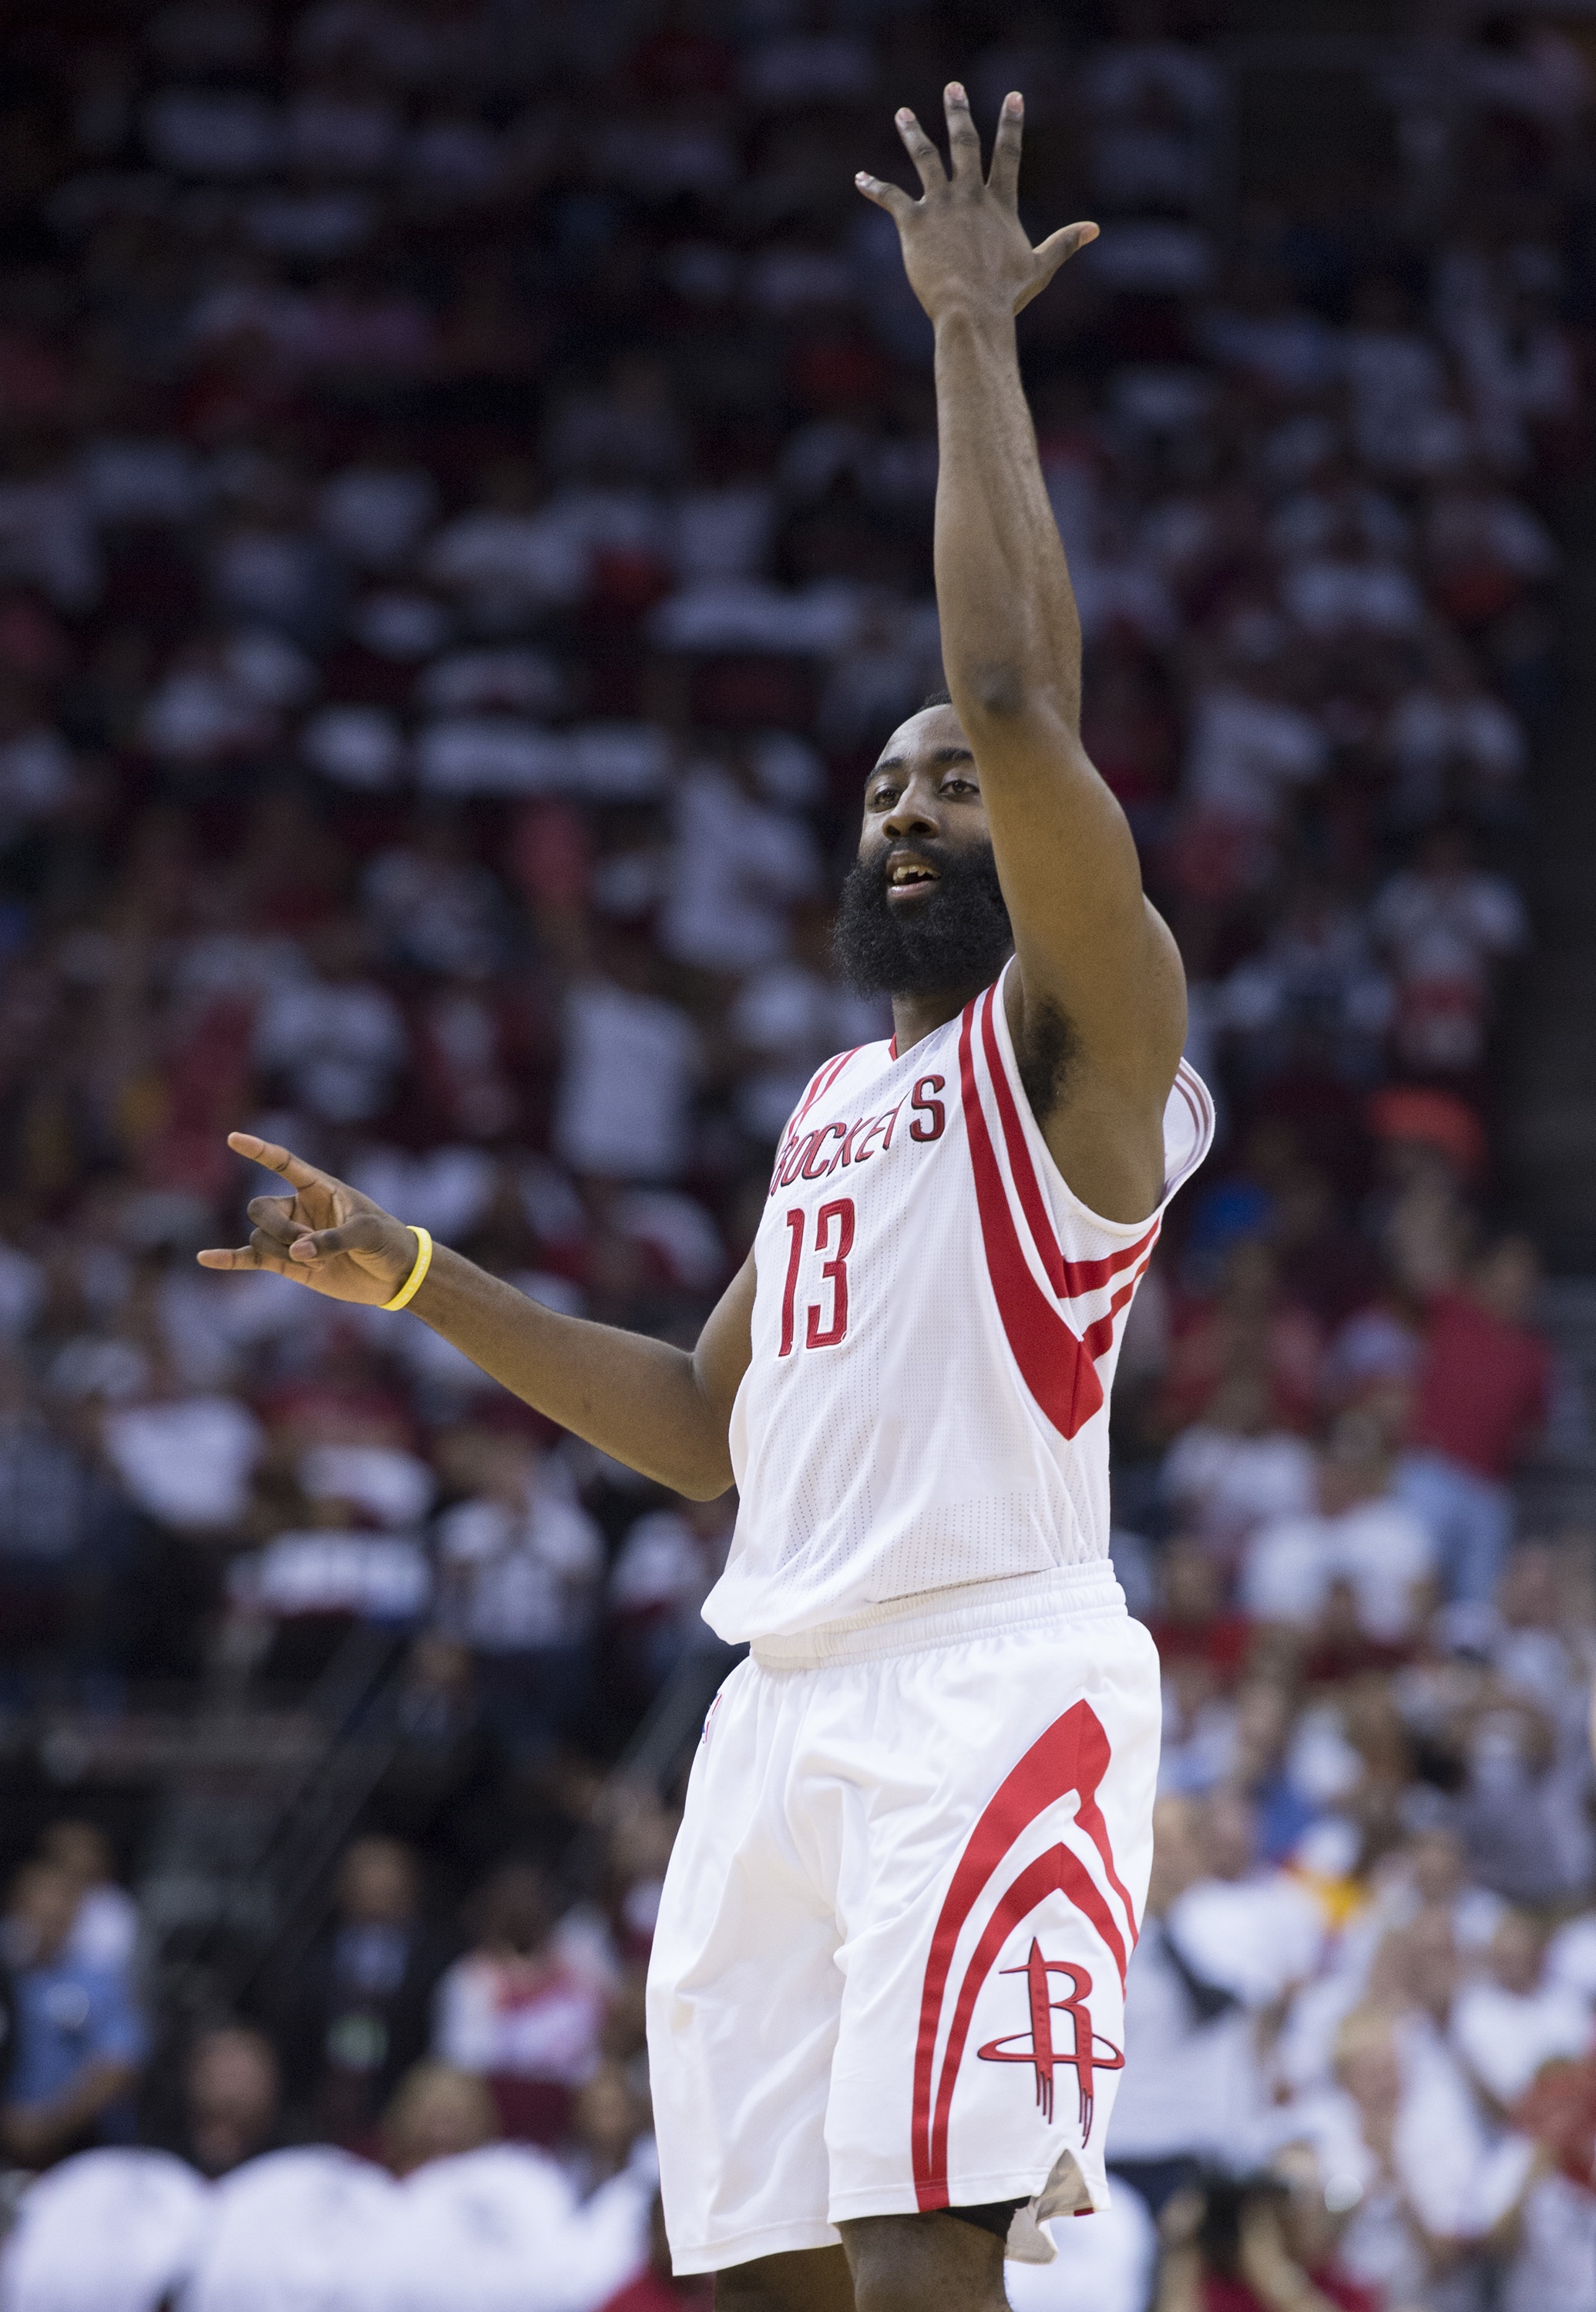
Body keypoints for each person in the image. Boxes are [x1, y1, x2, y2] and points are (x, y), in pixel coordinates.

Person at [197, 84, 1209, 2312]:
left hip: (985, 1682)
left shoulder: (1082, 1045)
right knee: (753, 2275)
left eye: (948, 786)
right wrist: (419, 1276)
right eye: (881, 790)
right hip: (777, 1704)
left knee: (922, 2259)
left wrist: (965, 334)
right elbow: (699, 1429)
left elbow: (1014, 689)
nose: (911, 806)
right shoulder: (835, 1100)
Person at [0, 1859, 144, 2166]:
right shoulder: (7, 1973)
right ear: (16, 1908)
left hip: (75, 2146)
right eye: (37, 1911)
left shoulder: (100, 1982)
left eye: (60, 1913)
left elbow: (119, 2065)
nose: (48, 1923)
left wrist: (48, 2127)